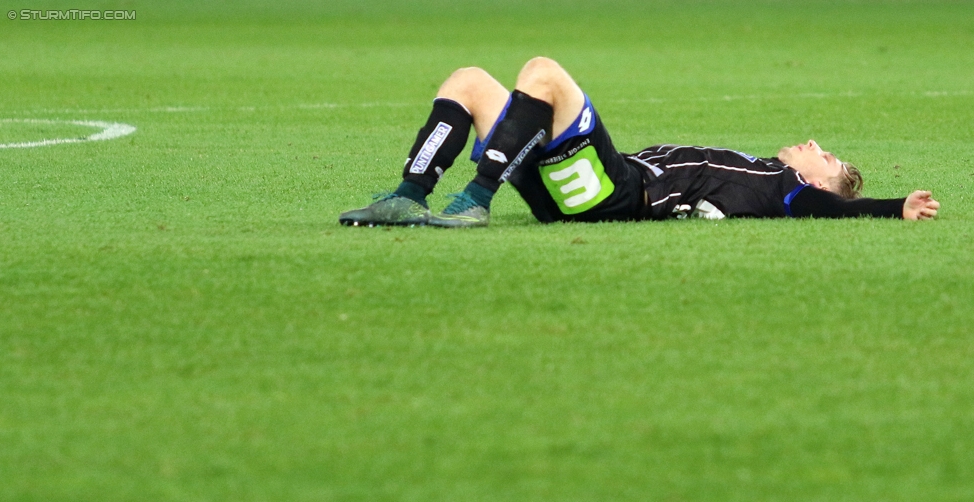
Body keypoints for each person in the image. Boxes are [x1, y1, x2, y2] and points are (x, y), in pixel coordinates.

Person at [339, 57, 939, 228]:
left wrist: (894, 208)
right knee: (468, 80)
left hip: (612, 192)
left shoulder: (783, 191)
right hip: (576, 193)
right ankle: (408, 194)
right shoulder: (759, 172)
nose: (814, 144)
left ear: (812, 180)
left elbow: (831, 207)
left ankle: (473, 200)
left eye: (825, 155)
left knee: (544, 73)